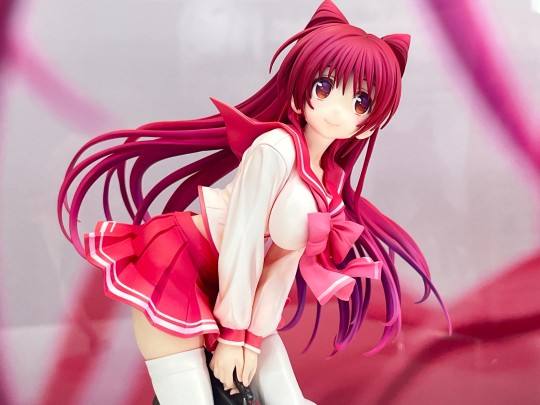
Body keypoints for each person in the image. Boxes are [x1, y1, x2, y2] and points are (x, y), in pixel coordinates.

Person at [58, 1, 450, 403]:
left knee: (287, 398)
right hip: (178, 262)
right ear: (300, 94)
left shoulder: (325, 181)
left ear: (368, 126)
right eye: (324, 87)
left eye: (360, 102)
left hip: (232, 288)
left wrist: (251, 336)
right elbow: (242, 239)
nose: (336, 109)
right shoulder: (275, 149)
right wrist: (233, 335)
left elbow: (278, 266)